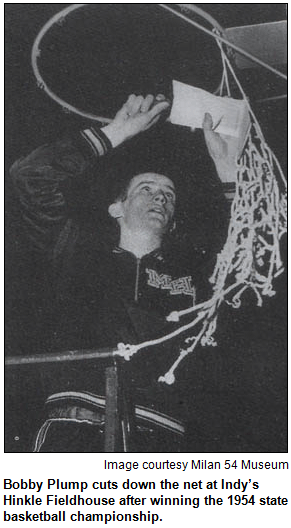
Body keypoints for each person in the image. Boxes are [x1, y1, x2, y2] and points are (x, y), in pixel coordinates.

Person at [9, 93, 232, 452]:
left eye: (168, 195)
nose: (159, 198)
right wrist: (117, 131)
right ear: (117, 207)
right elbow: (30, 177)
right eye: (146, 189)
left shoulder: (194, 274)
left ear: (174, 223)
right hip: (74, 425)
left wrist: (228, 171)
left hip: (159, 433)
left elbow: (253, 256)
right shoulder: (75, 250)